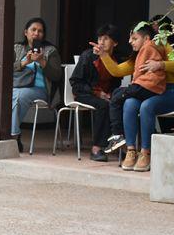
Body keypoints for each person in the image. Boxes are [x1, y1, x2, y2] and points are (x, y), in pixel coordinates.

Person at [101, 22, 167, 172]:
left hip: (149, 86)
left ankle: (122, 137)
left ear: (147, 38)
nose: (130, 41)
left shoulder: (150, 46)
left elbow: (144, 76)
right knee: (125, 100)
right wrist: (104, 55)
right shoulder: (143, 51)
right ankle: (130, 149)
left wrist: (161, 65)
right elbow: (117, 70)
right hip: (148, 86)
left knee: (117, 96)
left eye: (134, 38)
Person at [70, 24, 123, 161]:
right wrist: (97, 93)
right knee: (104, 105)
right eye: (100, 38)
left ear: (115, 43)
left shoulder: (117, 59)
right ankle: (96, 148)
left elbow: (116, 82)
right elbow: (76, 82)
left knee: (122, 102)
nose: (101, 42)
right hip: (85, 93)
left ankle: (122, 145)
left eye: (106, 39)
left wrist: (110, 94)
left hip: (106, 94)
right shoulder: (88, 56)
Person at [11, 17, 63, 152]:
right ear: (25, 32)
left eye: (40, 31)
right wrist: (24, 62)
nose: (36, 33)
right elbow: (5, 70)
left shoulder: (50, 50)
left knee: (19, 96)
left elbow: (57, 75)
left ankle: (13, 137)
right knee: (3, 98)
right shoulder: (17, 48)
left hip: (40, 90)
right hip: (16, 87)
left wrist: (42, 61)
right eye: (33, 30)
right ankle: (13, 135)